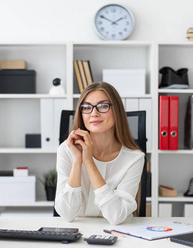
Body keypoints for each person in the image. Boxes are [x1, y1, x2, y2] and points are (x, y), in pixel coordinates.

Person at [54, 82, 145, 225]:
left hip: (119, 235)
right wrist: (78, 160)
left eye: (103, 106)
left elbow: (116, 217)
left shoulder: (134, 159)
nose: (94, 113)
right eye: (87, 107)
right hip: (78, 231)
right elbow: (66, 214)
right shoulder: (66, 150)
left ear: (117, 111)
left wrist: (89, 162)